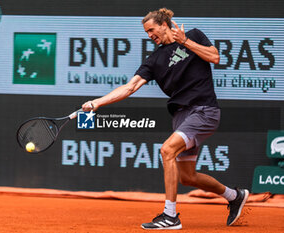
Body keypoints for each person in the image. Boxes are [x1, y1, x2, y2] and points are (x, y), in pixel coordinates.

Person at [82, 8, 249, 230]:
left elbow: (215, 57)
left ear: (164, 24)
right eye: (146, 32)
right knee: (188, 178)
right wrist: (97, 103)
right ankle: (234, 195)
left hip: (203, 111)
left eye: (151, 29)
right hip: (181, 116)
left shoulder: (194, 35)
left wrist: (186, 41)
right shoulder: (154, 61)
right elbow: (130, 87)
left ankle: (170, 216)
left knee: (167, 150)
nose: (150, 35)